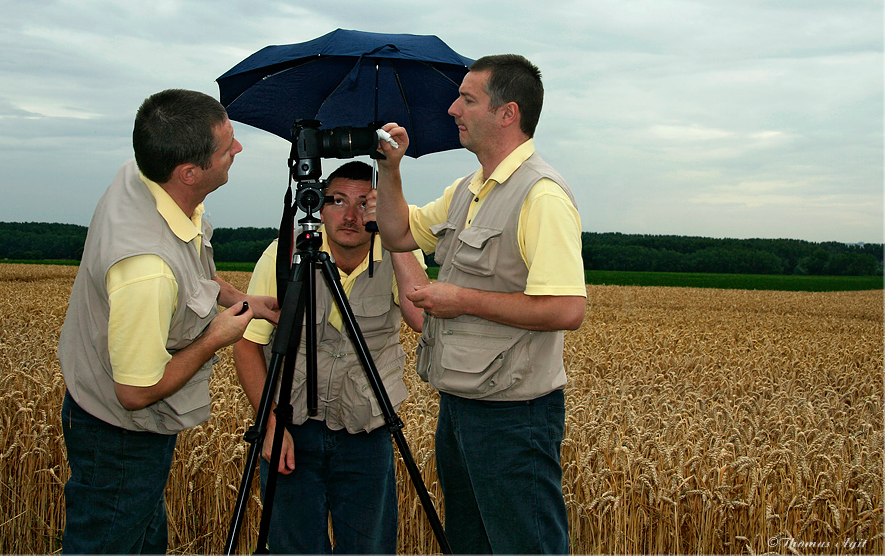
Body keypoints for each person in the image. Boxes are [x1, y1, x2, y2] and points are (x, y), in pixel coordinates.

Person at [373, 54, 587, 554]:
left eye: (467, 99)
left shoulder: (542, 195)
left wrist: (461, 298)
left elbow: (566, 308)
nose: (452, 109)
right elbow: (398, 231)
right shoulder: (466, 191)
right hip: (462, 405)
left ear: (508, 113)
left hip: (516, 415)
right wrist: (390, 171)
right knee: (470, 544)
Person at [57, 88, 279, 554]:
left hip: (118, 428)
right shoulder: (145, 271)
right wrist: (215, 337)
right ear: (189, 173)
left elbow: (188, 264)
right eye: (227, 147)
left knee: (144, 540)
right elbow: (134, 393)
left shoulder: (140, 175)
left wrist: (241, 299)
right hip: (117, 437)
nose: (238, 150)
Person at [232, 160, 428, 554]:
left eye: (365, 203)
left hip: (367, 433)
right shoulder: (285, 255)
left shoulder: (399, 255)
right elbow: (246, 343)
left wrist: (394, 233)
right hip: (292, 429)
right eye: (337, 201)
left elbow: (422, 318)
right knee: (294, 548)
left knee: (369, 549)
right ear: (318, 206)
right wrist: (270, 427)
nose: (351, 216)